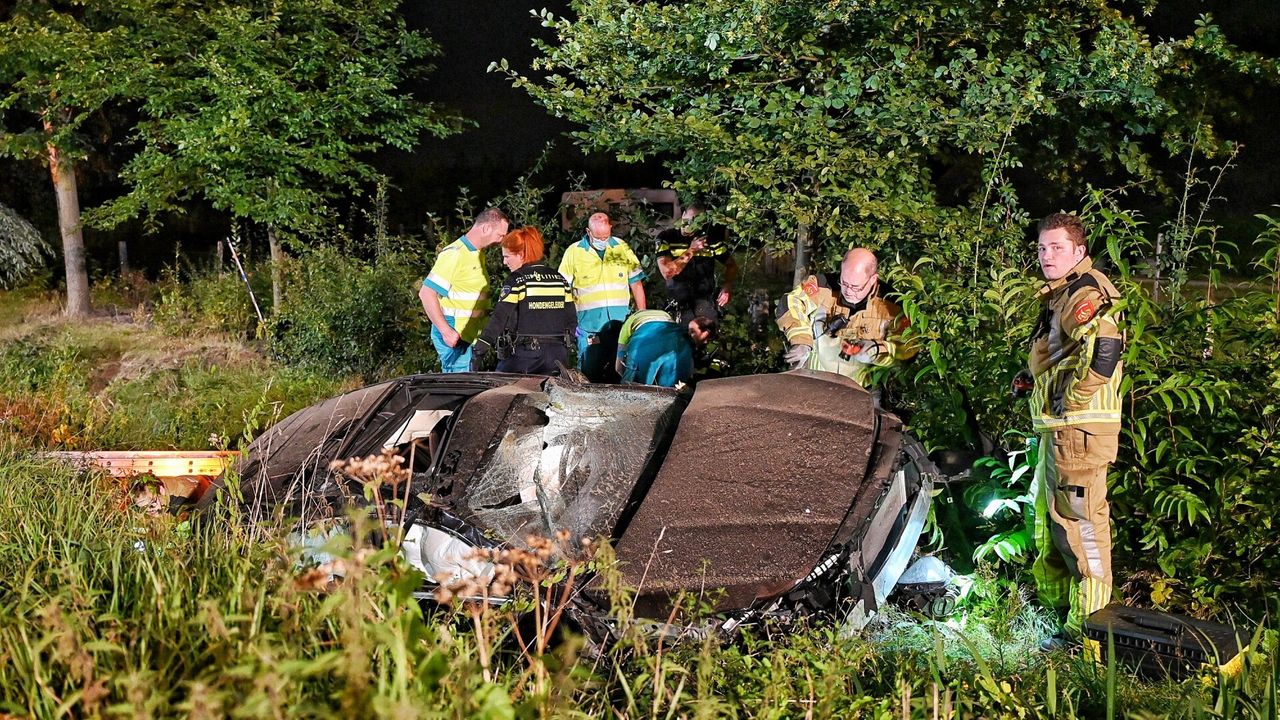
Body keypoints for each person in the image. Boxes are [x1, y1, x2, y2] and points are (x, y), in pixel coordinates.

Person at [1017, 213, 1124, 648]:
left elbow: (1106, 348)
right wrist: (1034, 381)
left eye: (1057, 247)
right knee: (1051, 523)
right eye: (1042, 248)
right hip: (1060, 431)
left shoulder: (1086, 291)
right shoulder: (1062, 292)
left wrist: (1074, 398)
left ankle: (1088, 633)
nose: (1047, 255)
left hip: (1079, 432)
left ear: (1079, 250)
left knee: (1083, 530)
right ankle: (1059, 614)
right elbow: (1064, 354)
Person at [775, 248, 916, 387]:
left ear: (873, 279)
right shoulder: (823, 286)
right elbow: (790, 302)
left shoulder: (892, 305)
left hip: (862, 390)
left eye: (855, 287)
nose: (848, 291)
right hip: (815, 382)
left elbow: (908, 349)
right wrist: (801, 341)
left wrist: (876, 350)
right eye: (844, 283)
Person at [470, 227, 577, 375]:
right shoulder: (560, 280)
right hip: (557, 358)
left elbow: (500, 318)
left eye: (507, 256)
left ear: (521, 255)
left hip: (525, 357)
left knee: (498, 386)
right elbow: (571, 319)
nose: (504, 262)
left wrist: (480, 349)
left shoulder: (517, 280)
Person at [558, 212, 646, 382]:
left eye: (606, 236)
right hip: (589, 326)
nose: (603, 240)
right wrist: (569, 322)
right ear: (588, 232)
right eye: (598, 237)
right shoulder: (574, 252)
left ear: (611, 229)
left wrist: (641, 316)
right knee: (588, 375)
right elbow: (563, 290)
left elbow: (636, 284)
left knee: (620, 373)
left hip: (620, 325)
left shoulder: (622, 248)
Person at [418, 208, 510, 372]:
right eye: (500, 235)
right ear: (485, 228)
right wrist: (446, 332)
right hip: (455, 333)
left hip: (468, 335)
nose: (501, 240)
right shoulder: (455, 254)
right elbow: (426, 293)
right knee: (459, 383)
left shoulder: (477, 254)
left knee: (465, 382)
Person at [655, 204, 738, 325]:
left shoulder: (710, 241)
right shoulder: (667, 238)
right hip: (678, 304)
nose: (691, 225)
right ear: (683, 215)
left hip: (705, 304)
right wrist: (692, 250)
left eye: (696, 222)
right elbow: (667, 272)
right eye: (689, 220)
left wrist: (727, 285)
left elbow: (731, 265)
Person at [614, 309, 716, 387]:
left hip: (645, 337)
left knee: (632, 388)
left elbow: (618, 367)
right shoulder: (665, 315)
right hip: (672, 335)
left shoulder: (626, 326)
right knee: (672, 388)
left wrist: (625, 375)